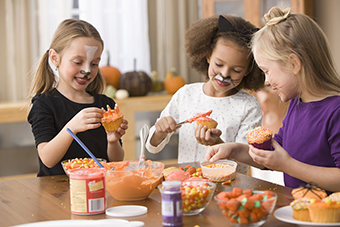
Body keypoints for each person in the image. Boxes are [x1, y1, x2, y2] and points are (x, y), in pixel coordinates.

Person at [205, 7, 340, 193]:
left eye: (267, 71)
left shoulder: (336, 111)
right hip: (297, 213)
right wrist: (233, 150)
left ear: (294, 64)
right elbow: (273, 156)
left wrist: (288, 165)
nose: (266, 81)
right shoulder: (297, 104)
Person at [146, 15, 264, 174]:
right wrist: (160, 130)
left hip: (227, 189)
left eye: (236, 70)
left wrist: (218, 144)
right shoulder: (186, 94)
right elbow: (152, 146)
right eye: (219, 64)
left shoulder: (249, 106)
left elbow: (245, 163)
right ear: (208, 55)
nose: (224, 74)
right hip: (187, 184)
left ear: (249, 71)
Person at [28, 19, 128, 176]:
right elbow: (47, 158)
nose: (87, 70)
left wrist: (113, 140)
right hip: (55, 193)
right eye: (78, 62)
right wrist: (72, 127)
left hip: (97, 187)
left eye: (94, 64)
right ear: (55, 58)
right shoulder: (44, 104)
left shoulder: (106, 104)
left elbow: (115, 163)